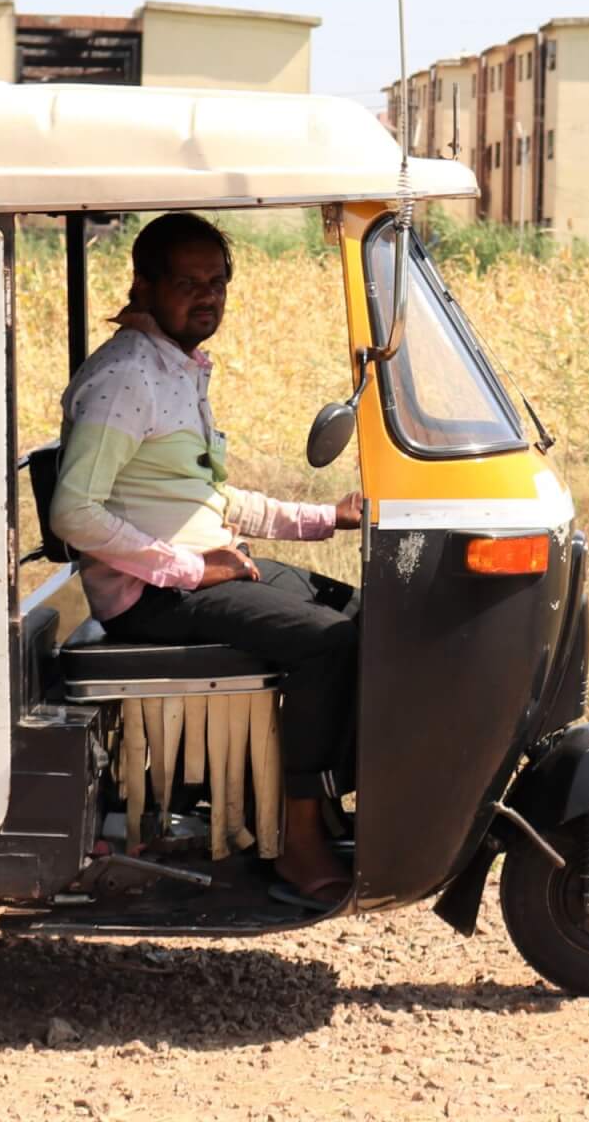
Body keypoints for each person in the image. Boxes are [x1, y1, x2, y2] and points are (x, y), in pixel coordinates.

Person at [50, 211, 361, 903]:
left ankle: (297, 801)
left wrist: (324, 519)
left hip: (198, 569)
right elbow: (73, 514)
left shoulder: (178, 368)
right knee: (328, 644)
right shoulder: (128, 377)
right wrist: (193, 569)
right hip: (150, 596)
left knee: (369, 618)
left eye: (217, 282)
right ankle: (295, 833)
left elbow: (207, 499)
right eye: (188, 282)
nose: (207, 297)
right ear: (144, 284)